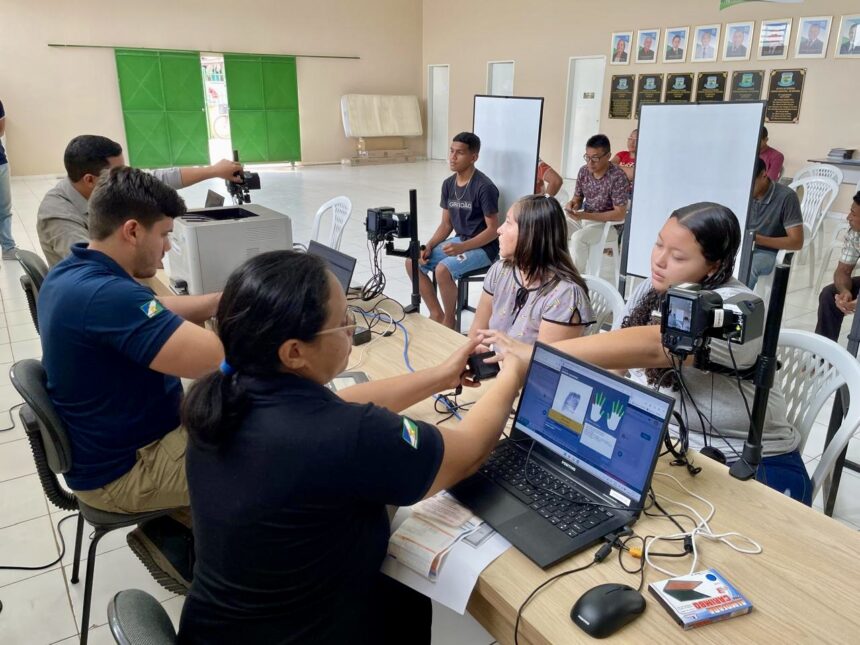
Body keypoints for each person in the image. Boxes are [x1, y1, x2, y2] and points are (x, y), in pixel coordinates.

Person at [176, 250, 527, 644]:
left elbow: (346, 404)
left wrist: (440, 376)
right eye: (342, 322)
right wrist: (513, 374)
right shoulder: (343, 436)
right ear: (294, 352)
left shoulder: (225, 396)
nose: (351, 328)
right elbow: (469, 449)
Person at [482, 202, 811, 504]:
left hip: (746, 461)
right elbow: (617, 365)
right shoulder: (651, 290)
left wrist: (539, 354)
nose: (659, 261)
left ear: (714, 266)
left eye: (678, 257)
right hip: (664, 445)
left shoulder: (738, 310)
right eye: (658, 245)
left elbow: (657, 347)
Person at [38, 166, 224, 592]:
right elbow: (218, 361)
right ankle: (183, 539)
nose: (167, 247)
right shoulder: (110, 296)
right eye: (164, 235)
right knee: (274, 456)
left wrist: (216, 301)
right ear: (133, 231)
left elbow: (155, 311)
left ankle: (184, 525)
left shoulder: (76, 271)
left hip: (111, 449)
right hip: (126, 473)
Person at [37, 134, 244, 266]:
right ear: (90, 180)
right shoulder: (58, 214)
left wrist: (214, 171)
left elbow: (157, 179)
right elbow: (95, 266)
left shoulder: (104, 189)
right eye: (117, 172)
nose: (123, 177)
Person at [468, 195, 592, 346]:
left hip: (523, 370)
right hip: (496, 367)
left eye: (508, 222)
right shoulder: (500, 270)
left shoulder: (565, 295)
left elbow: (544, 365)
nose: (499, 230)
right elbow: (477, 333)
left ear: (531, 234)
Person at [406, 132, 500, 328]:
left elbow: (493, 230)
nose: (452, 157)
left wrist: (463, 247)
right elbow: (446, 225)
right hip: (461, 242)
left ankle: (450, 320)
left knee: (442, 270)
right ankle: (436, 313)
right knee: (412, 261)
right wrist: (429, 245)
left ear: (473, 157)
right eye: (451, 151)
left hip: (484, 248)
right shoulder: (448, 184)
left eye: (460, 153)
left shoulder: (484, 187)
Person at [564, 134, 630, 272]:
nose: (590, 162)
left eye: (595, 158)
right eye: (587, 157)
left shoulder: (617, 176)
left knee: (577, 238)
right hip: (584, 220)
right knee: (552, 227)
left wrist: (584, 216)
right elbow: (577, 198)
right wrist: (572, 204)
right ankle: (558, 272)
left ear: (608, 156)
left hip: (609, 227)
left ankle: (576, 281)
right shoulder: (583, 171)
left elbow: (619, 214)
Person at [746, 157, 803, 289]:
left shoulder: (786, 197)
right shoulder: (741, 192)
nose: (746, 188)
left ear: (763, 175)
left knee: (748, 267)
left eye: (750, 183)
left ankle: (737, 306)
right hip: (740, 247)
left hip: (767, 252)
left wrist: (757, 239)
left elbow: (796, 242)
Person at [816, 191, 860, 342]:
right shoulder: (855, 234)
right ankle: (820, 358)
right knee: (829, 294)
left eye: (853, 214)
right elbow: (843, 270)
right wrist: (845, 292)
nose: (848, 217)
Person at [0, 99, 19, 259]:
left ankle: (8, 248)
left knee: (4, 210)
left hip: (1, 164)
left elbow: (0, 131)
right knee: (4, 211)